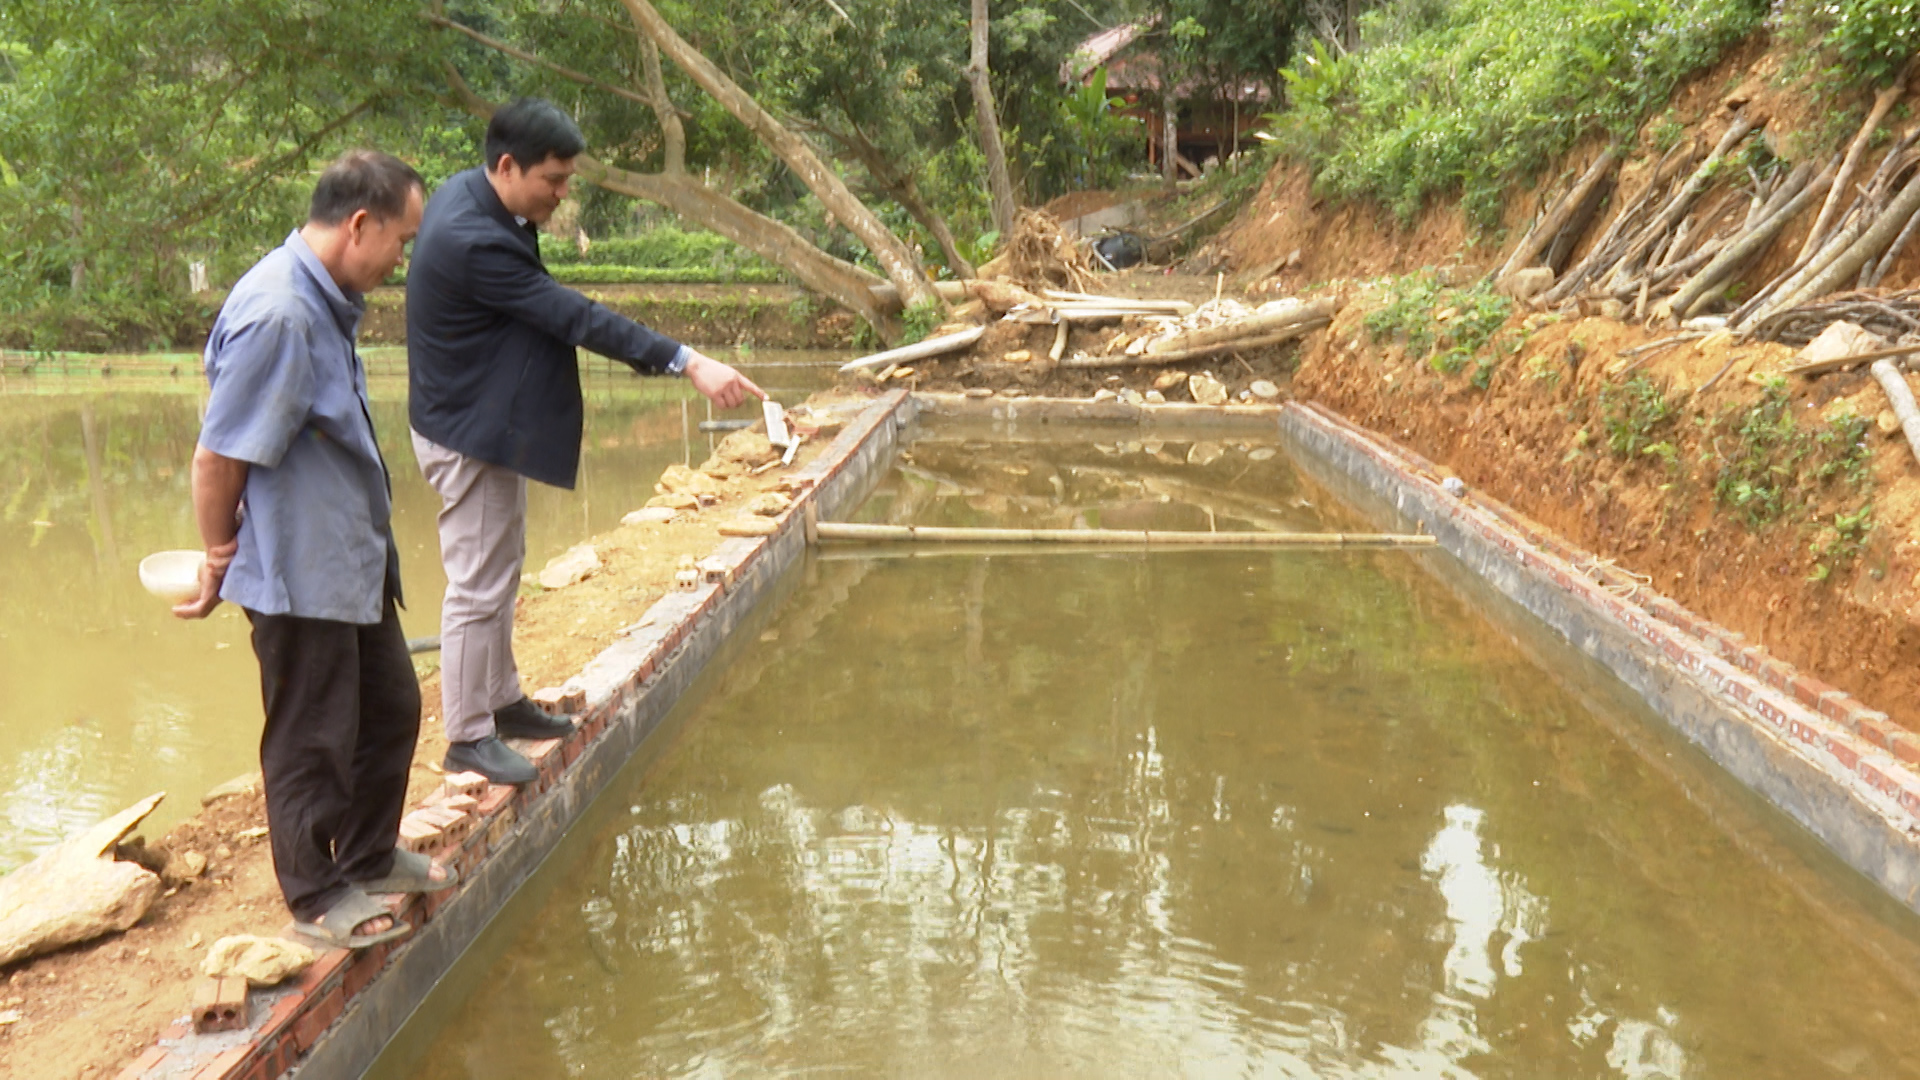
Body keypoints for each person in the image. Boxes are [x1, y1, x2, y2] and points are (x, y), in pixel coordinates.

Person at [407, 98, 765, 786]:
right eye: (555, 180)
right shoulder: (471, 239)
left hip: (479, 418)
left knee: (502, 566)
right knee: (477, 585)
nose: (563, 194)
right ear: (508, 166)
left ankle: (502, 702)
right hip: (466, 430)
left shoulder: (478, 197)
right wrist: (688, 361)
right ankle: (467, 735)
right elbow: (571, 314)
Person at [177, 151, 455, 950]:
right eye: (400, 240)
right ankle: (314, 890)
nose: (401, 259)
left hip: (348, 559)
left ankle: (367, 854)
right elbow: (217, 457)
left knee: (392, 707)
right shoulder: (281, 314)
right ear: (358, 225)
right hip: (299, 574)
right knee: (311, 735)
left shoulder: (321, 301)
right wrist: (218, 557)